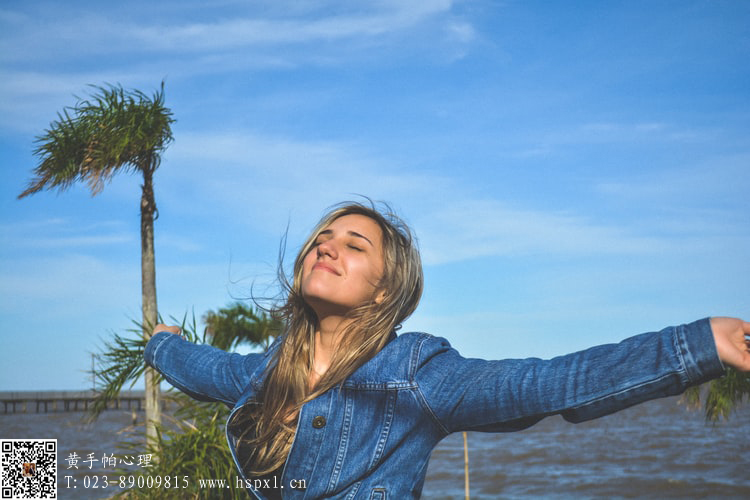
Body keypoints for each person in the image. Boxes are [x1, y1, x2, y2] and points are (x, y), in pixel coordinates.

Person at [145, 200, 750, 499]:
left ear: (385, 288)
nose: (326, 248)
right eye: (321, 239)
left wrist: (696, 345)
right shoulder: (268, 372)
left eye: (354, 245)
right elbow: (203, 366)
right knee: (51, 473)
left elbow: (547, 382)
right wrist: (162, 346)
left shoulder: (416, 376)